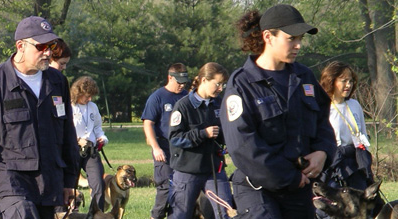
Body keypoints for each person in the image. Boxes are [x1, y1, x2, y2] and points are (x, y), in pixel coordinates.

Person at [0, 16, 80, 219]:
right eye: (41, 46)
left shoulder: (57, 81)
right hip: (12, 184)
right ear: (20, 46)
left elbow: (68, 134)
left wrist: (69, 182)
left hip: (50, 183)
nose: (48, 52)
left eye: (51, 46)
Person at [221, 4, 336, 218]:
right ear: (268, 36)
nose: (298, 45)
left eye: (300, 38)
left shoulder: (304, 78)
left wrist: (323, 153)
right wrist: (287, 176)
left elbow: (323, 124)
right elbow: (242, 146)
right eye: (291, 38)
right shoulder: (242, 84)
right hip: (259, 190)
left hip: (299, 187)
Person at [168, 62, 233, 219]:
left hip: (214, 170)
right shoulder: (183, 106)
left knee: (226, 213)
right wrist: (202, 133)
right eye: (217, 84)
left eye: (223, 85)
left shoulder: (219, 104)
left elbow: (227, 131)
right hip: (187, 172)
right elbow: (175, 138)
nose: (220, 89)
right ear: (204, 80)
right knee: (180, 215)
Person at [141, 62, 189, 219]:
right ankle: (156, 216)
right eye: (178, 82)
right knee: (165, 187)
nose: (181, 85)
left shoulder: (186, 96)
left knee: (182, 189)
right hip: (164, 147)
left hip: (183, 148)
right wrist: (156, 148)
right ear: (170, 77)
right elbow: (148, 123)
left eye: (184, 82)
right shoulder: (157, 97)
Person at [319, 61, 374, 189]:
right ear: (331, 81)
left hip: (355, 163)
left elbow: (363, 135)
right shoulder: (323, 107)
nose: (348, 85)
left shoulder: (355, 105)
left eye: (351, 81)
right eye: (344, 81)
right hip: (333, 164)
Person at [70, 76, 109, 212]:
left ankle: (97, 213)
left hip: (90, 151)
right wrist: (77, 140)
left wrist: (102, 138)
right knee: (70, 184)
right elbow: (64, 129)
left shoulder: (93, 107)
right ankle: (70, 212)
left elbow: (97, 127)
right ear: (79, 93)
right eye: (87, 96)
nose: (90, 99)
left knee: (98, 183)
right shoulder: (70, 106)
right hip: (73, 150)